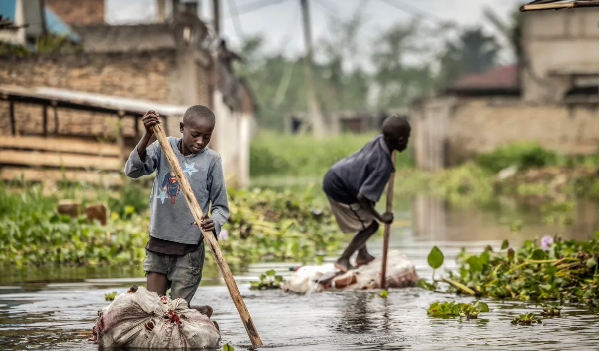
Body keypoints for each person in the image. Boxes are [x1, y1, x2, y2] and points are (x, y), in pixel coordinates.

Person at [124, 106, 229, 320]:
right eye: (195, 135)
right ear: (182, 127)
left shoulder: (212, 161)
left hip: (189, 249)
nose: (200, 141)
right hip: (159, 244)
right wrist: (148, 135)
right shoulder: (163, 146)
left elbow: (220, 206)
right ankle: (197, 312)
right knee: (154, 310)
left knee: (174, 314)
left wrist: (214, 222)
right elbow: (132, 171)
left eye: (206, 137)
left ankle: (189, 311)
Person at [322, 115, 411, 272]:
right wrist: (381, 217)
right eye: (407, 138)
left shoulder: (380, 140)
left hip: (340, 177)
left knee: (364, 219)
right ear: (400, 140)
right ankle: (343, 259)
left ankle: (362, 256)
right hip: (339, 186)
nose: (408, 142)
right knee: (371, 226)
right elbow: (363, 199)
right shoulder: (382, 165)